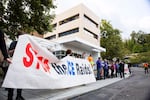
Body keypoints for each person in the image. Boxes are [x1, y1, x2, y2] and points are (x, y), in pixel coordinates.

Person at [7, 31, 25, 100]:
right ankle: (10, 97)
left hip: (21, 66)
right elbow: (9, 53)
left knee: (20, 82)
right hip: (13, 66)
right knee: (11, 82)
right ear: (18, 37)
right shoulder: (14, 43)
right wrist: (17, 48)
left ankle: (19, 96)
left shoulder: (24, 45)